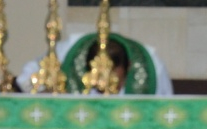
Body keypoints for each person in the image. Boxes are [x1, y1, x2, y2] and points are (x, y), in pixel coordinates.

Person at [16, 31, 173, 95]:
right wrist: (46, 90)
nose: (107, 91)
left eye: (115, 84)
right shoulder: (66, 54)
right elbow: (25, 80)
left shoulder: (153, 67)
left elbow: (167, 109)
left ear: (129, 67)